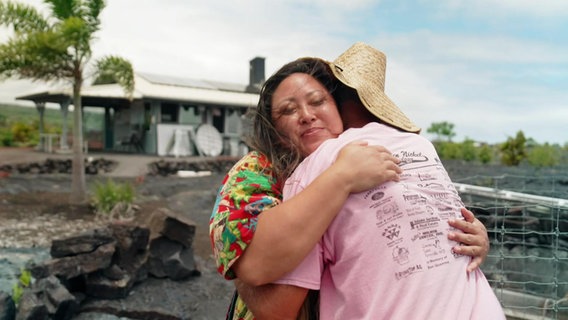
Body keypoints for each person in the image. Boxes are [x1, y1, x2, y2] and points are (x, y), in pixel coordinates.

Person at [209, 55, 490, 320]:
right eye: (288, 110)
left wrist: (467, 235)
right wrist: (238, 267)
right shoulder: (254, 173)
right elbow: (271, 298)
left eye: (318, 101)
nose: (306, 115)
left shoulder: (371, 156)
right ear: (275, 132)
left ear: (339, 109)